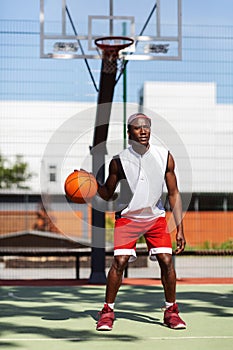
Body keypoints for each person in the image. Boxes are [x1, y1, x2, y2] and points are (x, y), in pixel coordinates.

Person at [96, 112, 186, 331]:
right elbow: (107, 193)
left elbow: (173, 193)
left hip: (155, 217)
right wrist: (91, 184)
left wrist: (180, 229)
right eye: (137, 127)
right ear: (129, 132)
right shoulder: (118, 161)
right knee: (120, 262)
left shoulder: (164, 156)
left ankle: (171, 311)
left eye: (147, 126)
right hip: (128, 217)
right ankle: (107, 311)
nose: (143, 130)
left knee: (166, 260)